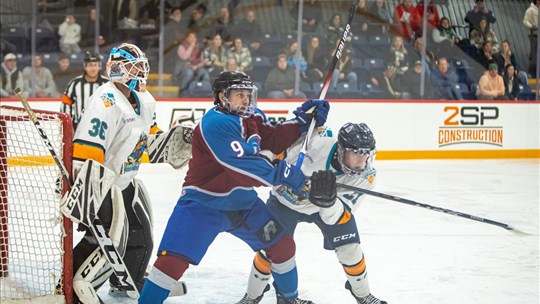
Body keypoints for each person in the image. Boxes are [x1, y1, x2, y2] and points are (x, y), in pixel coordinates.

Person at [137, 71, 330, 304]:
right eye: (239, 95)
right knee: (171, 263)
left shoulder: (250, 117)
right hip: (203, 204)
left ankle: (290, 300)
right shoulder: (214, 123)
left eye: (247, 94)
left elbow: (273, 137)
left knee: (283, 246)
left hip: (243, 204)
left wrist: (302, 123)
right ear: (222, 96)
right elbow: (242, 166)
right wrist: (285, 174)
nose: (246, 100)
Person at [236, 122, 386, 304]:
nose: (361, 161)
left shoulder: (366, 177)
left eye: (365, 154)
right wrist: (272, 164)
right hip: (285, 203)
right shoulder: (313, 143)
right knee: (270, 250)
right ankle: (252, 296)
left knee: (350, 249)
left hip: (323, 209)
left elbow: (337, 217)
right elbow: (274, 150)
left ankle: (363, 294)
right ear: (340, 150)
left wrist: (328, 203)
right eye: (356, 153)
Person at [69, 43, 158, 303]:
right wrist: (91, 196)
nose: (141, 71)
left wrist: (173, 143)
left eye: (142, 65)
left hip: (126, 179)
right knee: (105, 240)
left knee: (142, 237)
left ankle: (126, 280)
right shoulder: (105, 100)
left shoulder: (145, 99)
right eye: (135, 66)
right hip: (101, 182)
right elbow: (87, 150)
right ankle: (71, 286)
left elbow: (152, 140)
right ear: (119, 69)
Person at [60, 51, 108, 130]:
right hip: (78, 126)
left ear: (99, 66)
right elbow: (65, 104)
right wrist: (68, 124)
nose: (92, 68)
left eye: (95, 65)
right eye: (90, 65)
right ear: (85, 66)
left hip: (102, 126)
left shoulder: (107, 84)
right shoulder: (74, 83)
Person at [523, 0, 538, 75]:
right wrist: (531, 26)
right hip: (534, 34)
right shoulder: (531, 10)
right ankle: (531, 72)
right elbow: (525, 21)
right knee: (534, 54)